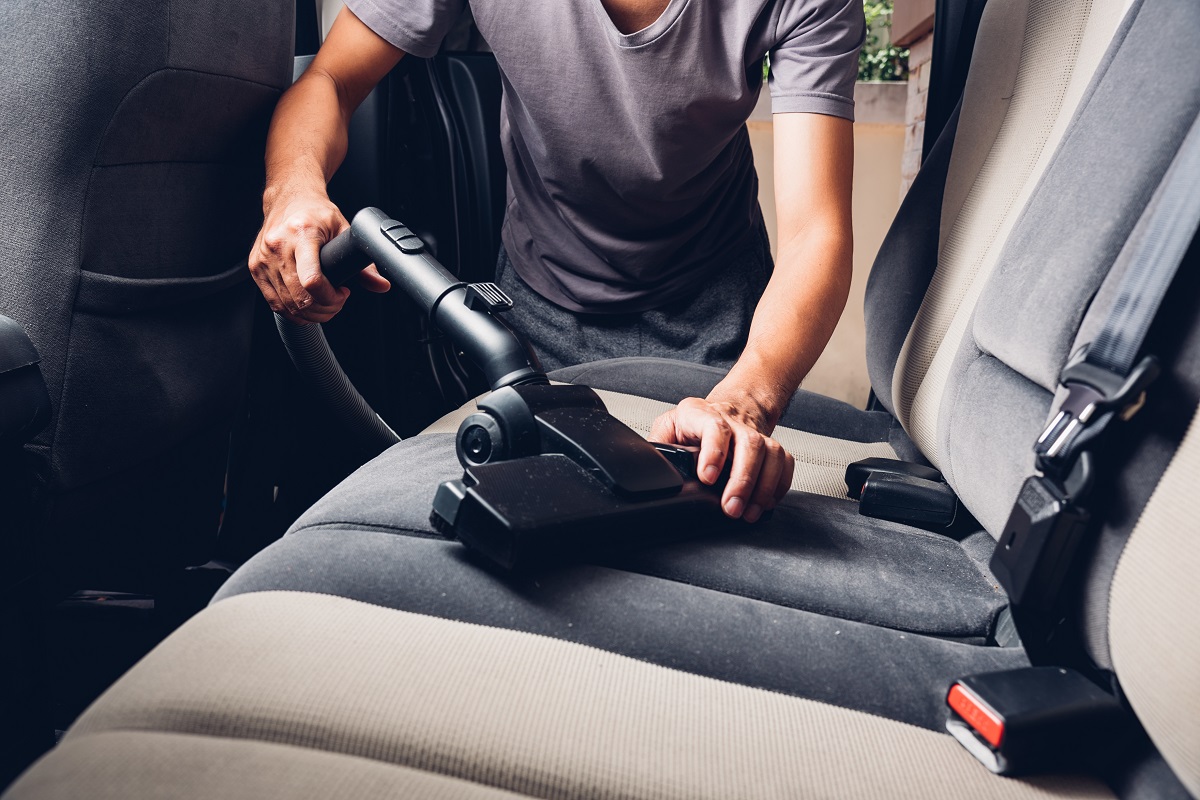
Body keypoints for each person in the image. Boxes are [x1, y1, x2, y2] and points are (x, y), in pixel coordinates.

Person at [248, 0, 864, 524]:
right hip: (536, 308)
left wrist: (743, 402)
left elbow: (816, 232)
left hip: (717, 320)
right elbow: (330, 79)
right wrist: (295, 191)